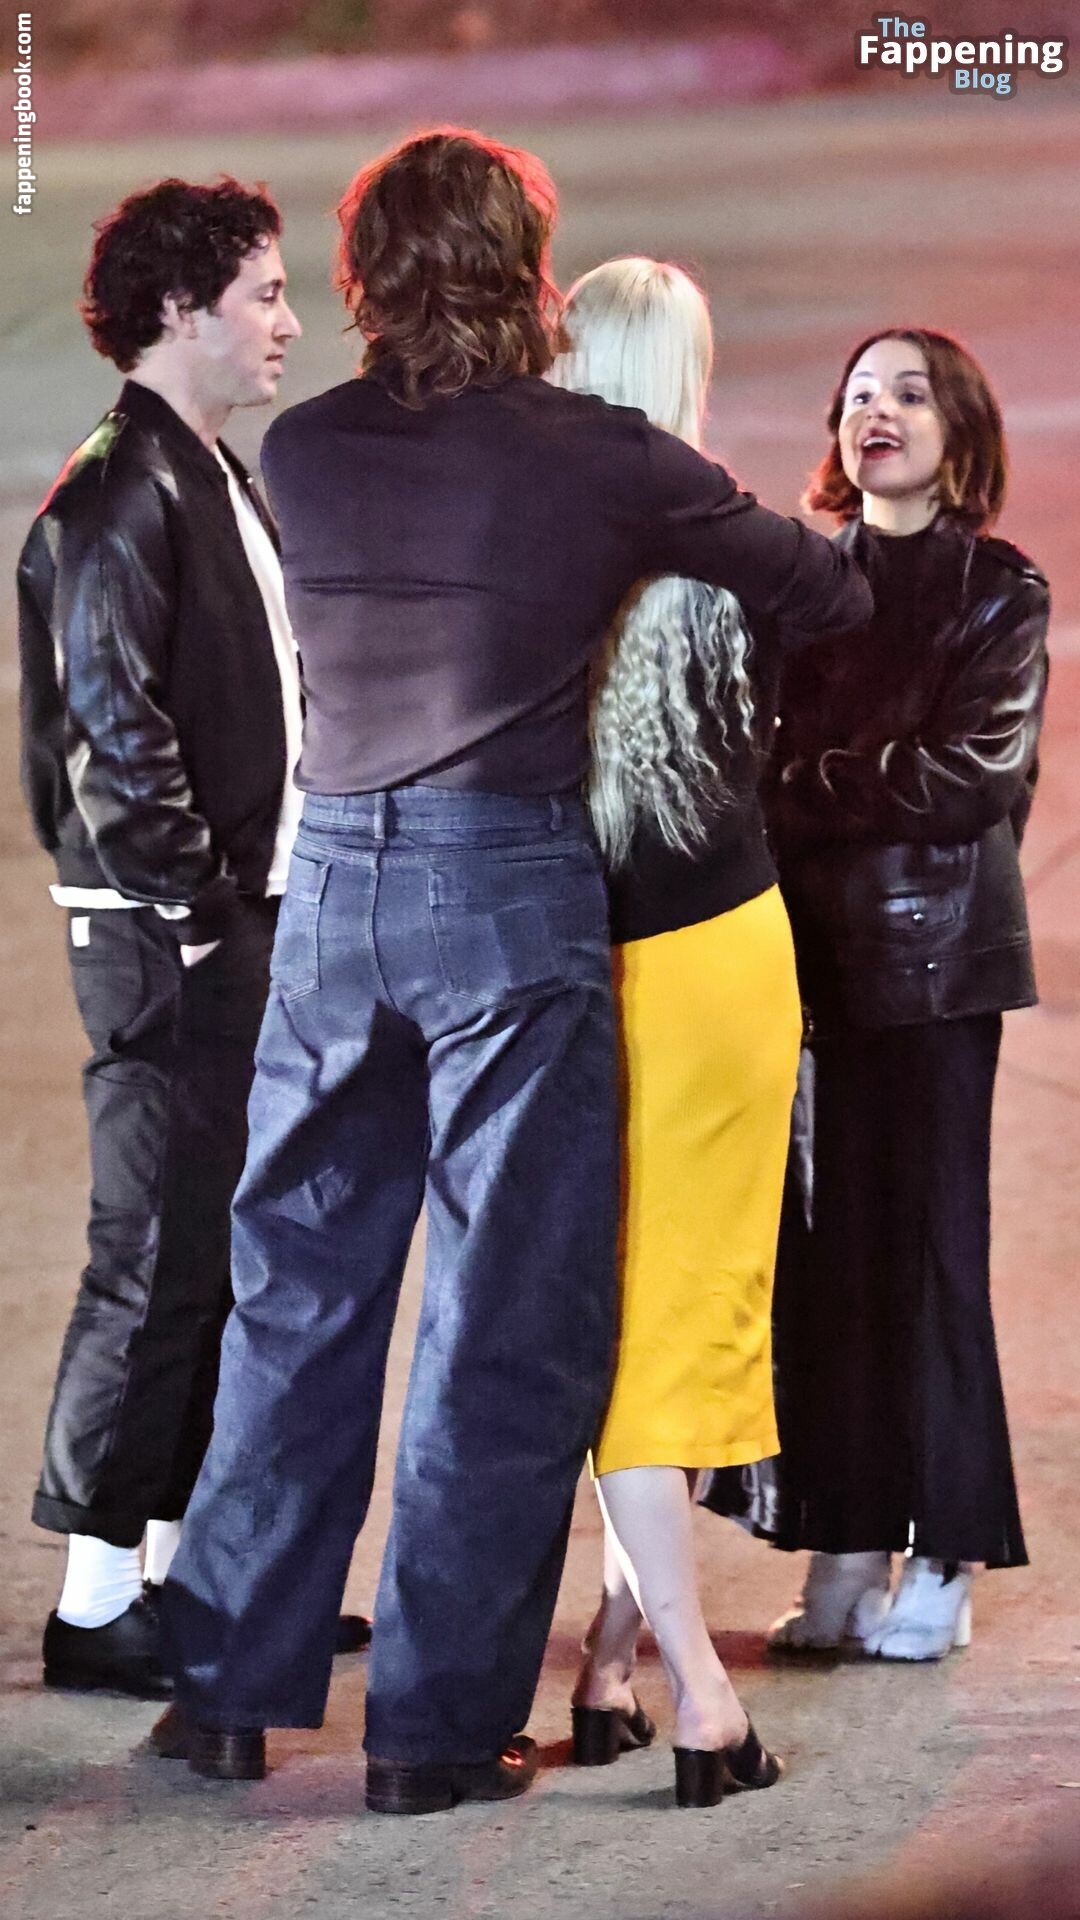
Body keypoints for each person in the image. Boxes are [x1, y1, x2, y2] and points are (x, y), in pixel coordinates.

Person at [154, 128, 871, 1807]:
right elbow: (819, 591)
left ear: (364, 276)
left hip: (335, 891)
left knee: (298, 1297)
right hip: (505, 894)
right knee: (502, 1321)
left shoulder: (305, 446)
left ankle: (228, 1694)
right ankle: (431, 1735)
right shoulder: (601, 455)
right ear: (527, 268)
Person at [18, 176, 368, 1702]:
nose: (291, 321)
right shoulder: (119, 493)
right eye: (266, 294)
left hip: (222, 923)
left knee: (211, 1261)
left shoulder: (205, 472)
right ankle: (98, 1607)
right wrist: (209, 920)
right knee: (154, 1258)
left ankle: (185, 1585)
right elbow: (117, 737)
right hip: (171, 935)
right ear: (180, 309)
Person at [548, 258, 832, 1808]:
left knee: (644, 1325)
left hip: (610, 970)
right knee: (682, 1312)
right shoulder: (731, 552)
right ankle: (650, 1681)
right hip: (731, 956)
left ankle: (658, 1681)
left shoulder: (543, 555)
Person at [726, 328, 1048, 1658]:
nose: (880, 412)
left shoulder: (999, 590)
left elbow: (970, 777)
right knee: (826, 1265)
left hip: (934, 973)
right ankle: (848, 1538)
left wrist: (805, 786)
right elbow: (746, 751)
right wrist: (833, 781)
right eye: (861, 394)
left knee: (928, 1262)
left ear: (957, 430)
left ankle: (947, 1552)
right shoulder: (804, 584)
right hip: (804, 967)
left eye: (911, 394)